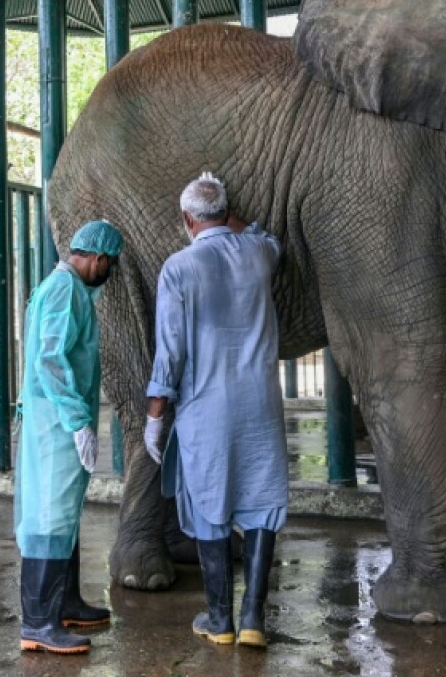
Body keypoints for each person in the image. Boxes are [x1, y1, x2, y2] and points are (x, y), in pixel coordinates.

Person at [144, 173, 288, 649]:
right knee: (263, 505)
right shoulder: (260, 254)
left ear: (187, 220)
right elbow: (266, 235)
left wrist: (155, 414)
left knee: (209, 505)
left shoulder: (179, 268)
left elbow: (170, 352)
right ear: (226, 213)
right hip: (260, 406)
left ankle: (220, 619)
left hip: (207, 408)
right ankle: (253, 621)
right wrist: (231, 216)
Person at [14, 219, 123, 655]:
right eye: (109, 264)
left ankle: (65, 603)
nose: (108, 272)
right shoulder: (64, 290)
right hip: (55, 420)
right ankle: (38, 622)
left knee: (64, 514)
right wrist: (78, 419)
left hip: (56, 417)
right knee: (50, 517)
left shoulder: (68, 289)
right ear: (96, 258)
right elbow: (50, 359)